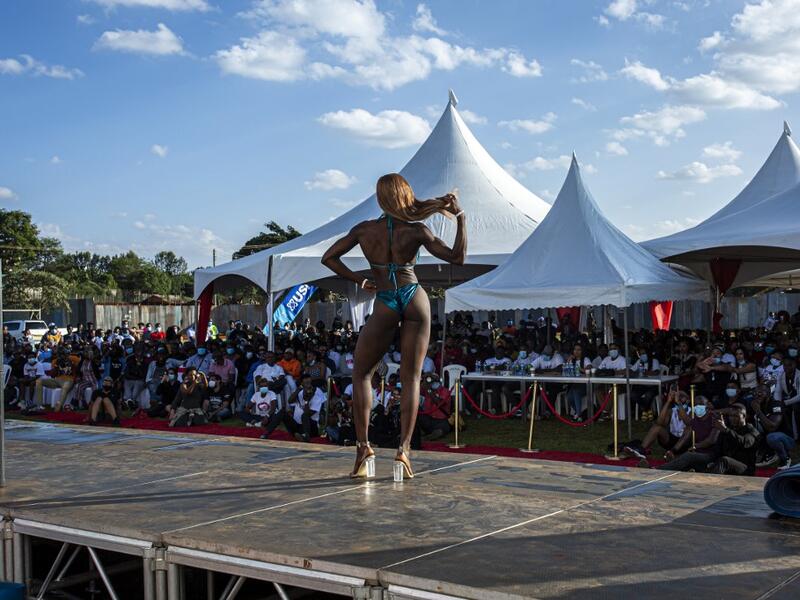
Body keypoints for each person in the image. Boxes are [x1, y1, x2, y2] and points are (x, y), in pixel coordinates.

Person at [321, 173, 466, 479]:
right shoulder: (416, 231)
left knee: (361, 374)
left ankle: (363, 449)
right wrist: (460, 218)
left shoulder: (364, 230)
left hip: (386, 299)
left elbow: (329, 258)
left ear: (380, 198)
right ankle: (403, 452)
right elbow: (457, 258)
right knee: (411, 379)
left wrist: (359, 279)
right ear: (405, 196)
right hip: (414, 296)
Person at [284, 375, 326, 442]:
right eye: (305, 383)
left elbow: (307, 414)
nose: (308, 386)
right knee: (283, 413)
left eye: (309, 383)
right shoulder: (300, 392)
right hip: (298, 424)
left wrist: (307, 401)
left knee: (304, 415)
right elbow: (290, 401)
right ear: (302, 384)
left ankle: (306, 437)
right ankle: (266, 434)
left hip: (310, 425)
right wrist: (298, 390)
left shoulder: (317, 394)